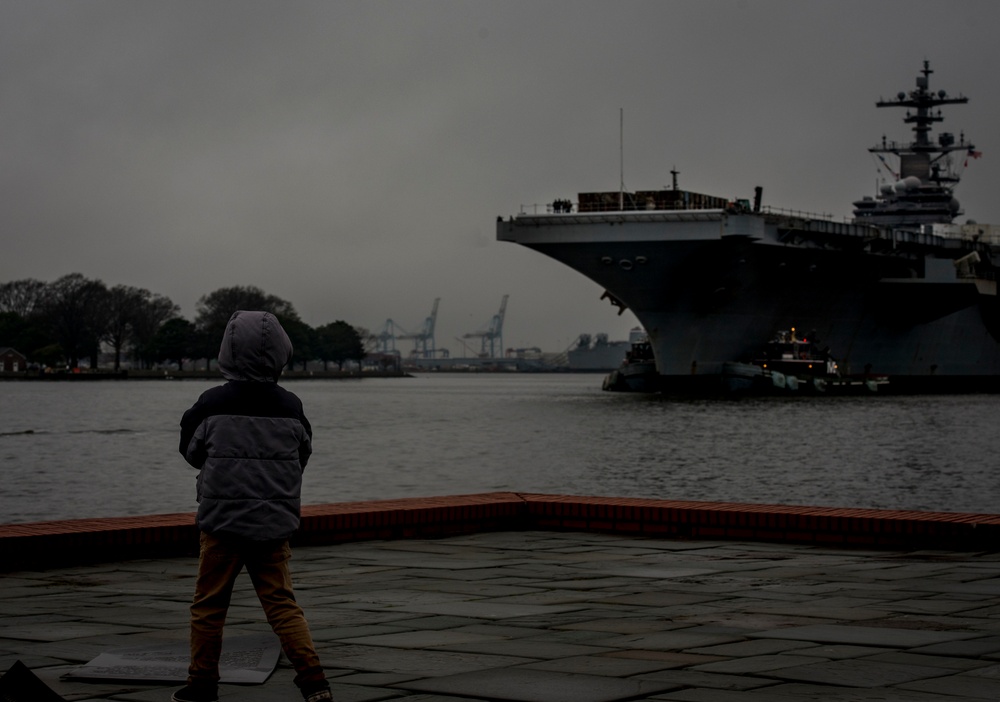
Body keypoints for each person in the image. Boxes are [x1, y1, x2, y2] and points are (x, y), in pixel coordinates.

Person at [173, 310, 332, 702]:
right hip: (273, 525)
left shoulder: (211, 403)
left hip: (221, 524)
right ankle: (314, 681)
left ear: (227, 351)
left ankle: (202, 684)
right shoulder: (292, 407)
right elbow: (302, 455)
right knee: (281, 603)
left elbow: (191, 452)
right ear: (282, 353)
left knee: (209, 606)